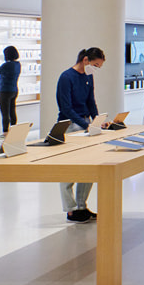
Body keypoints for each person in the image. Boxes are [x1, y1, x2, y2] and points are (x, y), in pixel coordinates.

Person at [56, 47, 106, 223]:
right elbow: (66, 108)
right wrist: (86, 124)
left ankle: (81, 206)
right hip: (70, 126)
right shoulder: (66, 77)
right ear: (85, 60)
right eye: (95, 65)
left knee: (89, 166)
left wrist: (97, 120)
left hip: (84, 125)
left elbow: (91, 101)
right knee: (69, 168)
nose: (96, 69)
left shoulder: (88, 76)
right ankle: (70, 210)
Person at [0, 45, 21, 136]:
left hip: (5, 92)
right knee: (12, 111)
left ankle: (5, 132)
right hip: (14, 91)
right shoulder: (17, 64)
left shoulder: (7, 65)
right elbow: (3, 70)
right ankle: (14, 131)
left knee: (5, 113)